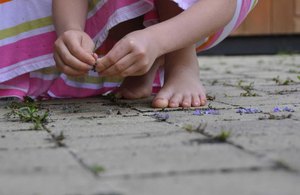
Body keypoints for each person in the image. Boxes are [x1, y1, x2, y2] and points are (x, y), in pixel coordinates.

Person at [0, 0, 258, 108]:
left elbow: (223, 4)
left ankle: (182, 64)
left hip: (207, 12)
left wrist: (158, 39)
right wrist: (70, 30)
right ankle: (140, 62)